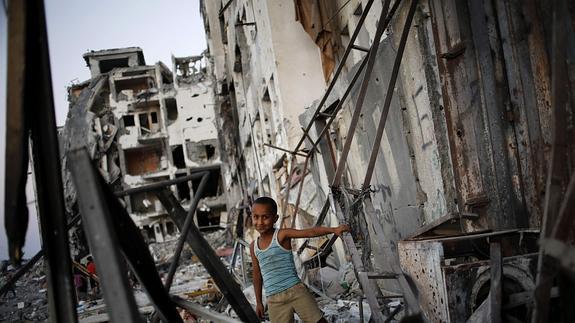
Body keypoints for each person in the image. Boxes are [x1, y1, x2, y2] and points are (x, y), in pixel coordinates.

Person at [249, 196, 349, 322]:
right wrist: (259, 302)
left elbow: (309, 232)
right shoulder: (254, 247)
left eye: (265, 217)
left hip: (296, 291)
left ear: (275, 218)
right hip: (274, 300)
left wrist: (333, 230)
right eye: (256, 217)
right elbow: (257, 275)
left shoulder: (281, 235)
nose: (260, 222)